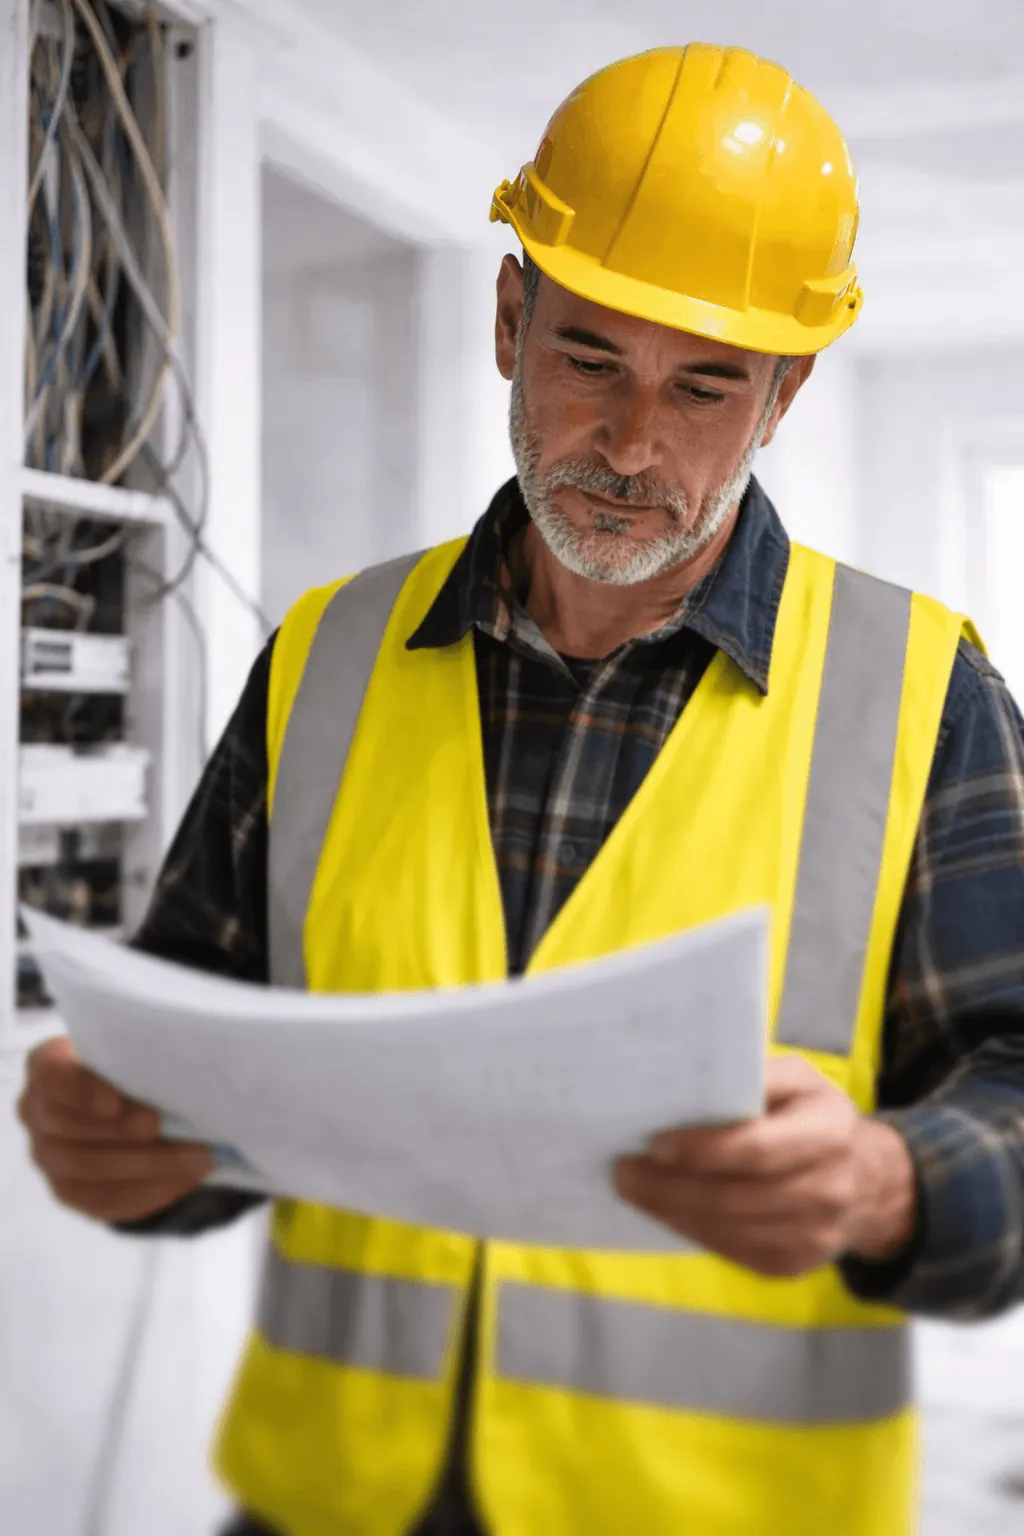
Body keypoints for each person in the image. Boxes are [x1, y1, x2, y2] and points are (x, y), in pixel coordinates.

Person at [16, 41, 1024, 1536]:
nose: (630, 445)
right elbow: (208, 1071)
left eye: (704, 388)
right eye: (588, 359)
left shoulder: (922, 692)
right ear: (508, 317)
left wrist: (890, 1181)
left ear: (784, 396)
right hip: (329, 1504)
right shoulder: (324, 658)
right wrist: (116, 1134)